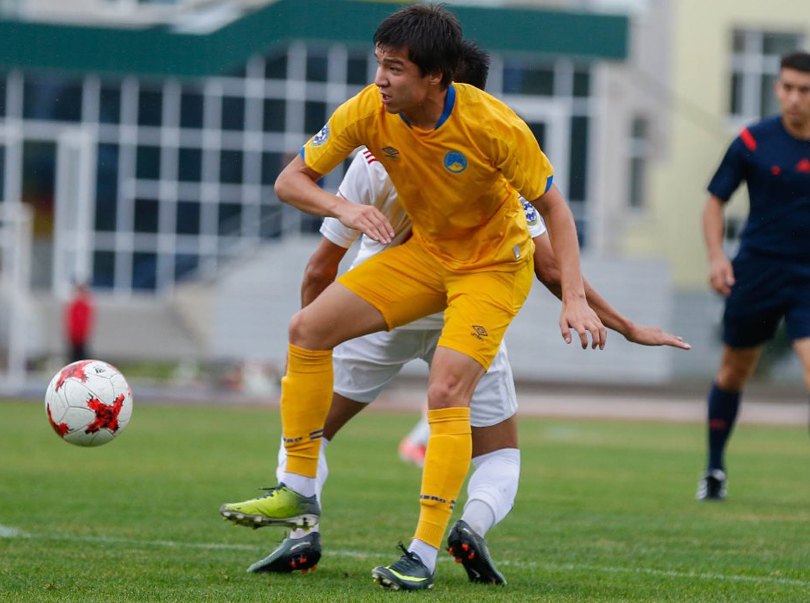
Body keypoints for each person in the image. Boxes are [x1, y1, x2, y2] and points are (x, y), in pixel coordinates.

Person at [244, 42, 690, 585]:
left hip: (487, 273)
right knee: (307, 331)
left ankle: (419, 553)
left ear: (438, 79)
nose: (380, 79)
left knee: (440, 393)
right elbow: (290, 180)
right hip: (424, 266)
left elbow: (555, 217)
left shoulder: (495, 133)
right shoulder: (371, 120)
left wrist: (586, 306)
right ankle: (300, 494)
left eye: (394, 69)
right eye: (380, 65)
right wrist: (346, 208)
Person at [698, 51, 810, 501]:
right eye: (788, 87)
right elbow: (713, 201)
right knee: (733, 372)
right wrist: (716, 258)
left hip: (807, 280)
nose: (795, 98)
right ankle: (714, 470)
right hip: (757, 272)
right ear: (777, 88)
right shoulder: (752, 140)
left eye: (805, 90)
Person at [65, 283, 94, 363]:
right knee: (72, 357)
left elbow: (85, 322)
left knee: (82, 357)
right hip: (73, 336)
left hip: (82, 337)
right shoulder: (74, 306)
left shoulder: (84, 306)